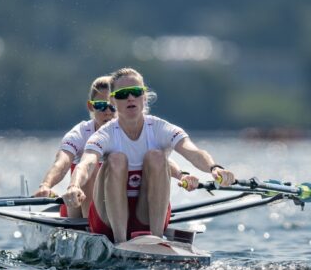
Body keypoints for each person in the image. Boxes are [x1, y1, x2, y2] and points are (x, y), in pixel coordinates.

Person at [62, 67, 235, 243]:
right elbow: (86, 163)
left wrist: (214, 168)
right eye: (123, 94)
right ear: (113, 101)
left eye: (136, 92)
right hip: (106, 219)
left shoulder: (160, 128)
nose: (130, 98)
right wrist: (73, 186)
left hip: (145, 215)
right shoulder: (105, 134)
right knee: (116, 158)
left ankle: (157, 239)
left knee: (157, 156)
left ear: (144, 97)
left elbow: (193, 151)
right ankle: (120, 242)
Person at [34, 75, 116, 218]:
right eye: (101, 105)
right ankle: (91, 227)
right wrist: (46, 185)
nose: (108, 111)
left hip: (117, 205)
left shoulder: (131, 131)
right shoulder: (80, 133)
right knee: (90, 168)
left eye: (112, 106)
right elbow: (62, 162)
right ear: (91, 106)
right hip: (78, 210)